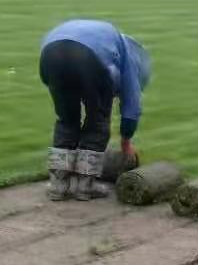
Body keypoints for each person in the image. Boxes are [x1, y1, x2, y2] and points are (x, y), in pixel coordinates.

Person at [39, 19, 151, 201]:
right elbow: (132, 104)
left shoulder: (109, 41)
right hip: (88, 56)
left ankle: (58, 185)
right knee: (97, 121)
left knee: (67, 120)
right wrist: (126, 141)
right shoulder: (126, 55)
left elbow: (49, 78)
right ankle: (85, 186)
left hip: (50, 53)